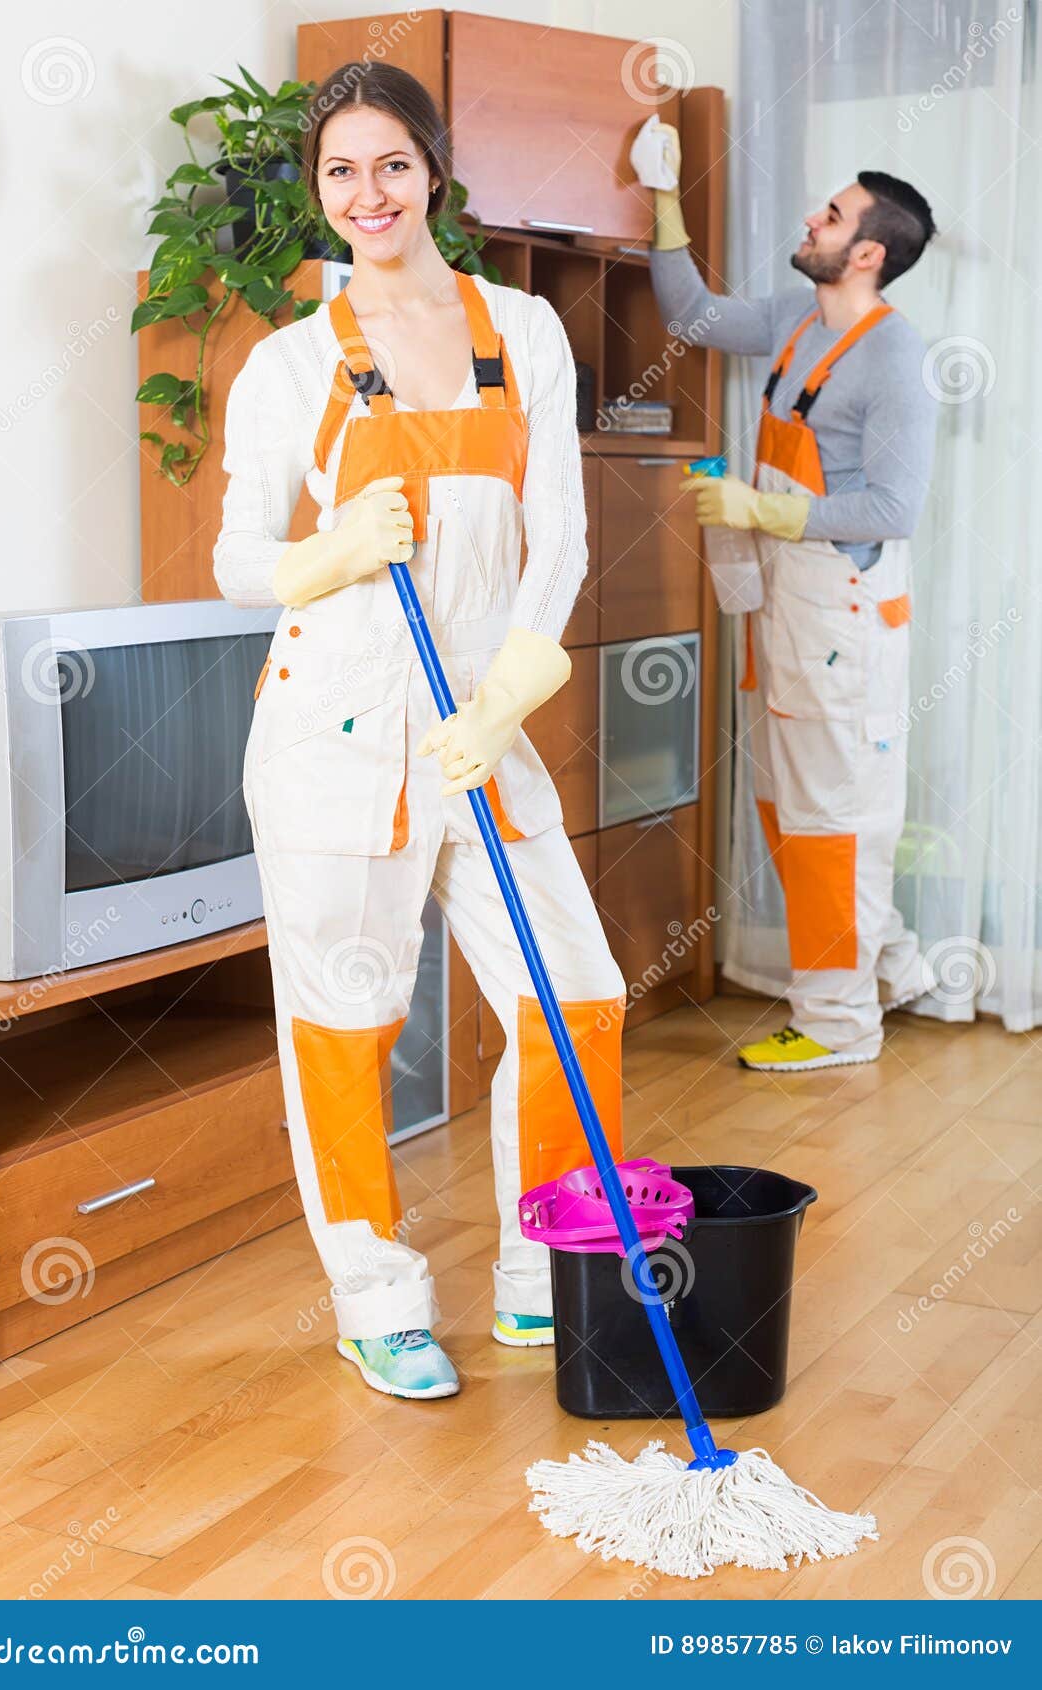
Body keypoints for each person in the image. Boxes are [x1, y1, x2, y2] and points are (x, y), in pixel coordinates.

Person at [213, 62, 626, 1400]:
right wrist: (321, 553)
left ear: (432, 172)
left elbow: (557, 530)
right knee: (345, 1024)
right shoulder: (290, 362)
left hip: (480, 724)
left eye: (390, 162)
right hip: (335, 736)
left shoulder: (519, 328)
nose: (367, 192)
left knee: (576, 996)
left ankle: (540, 1273)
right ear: (318, 192)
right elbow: (230, 556)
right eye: (340, 170)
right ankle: (376, 1297)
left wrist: (513, 681)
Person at [637, 126, 938, 1072]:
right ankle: (890, 966)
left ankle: (840, 1026)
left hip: (839, 617)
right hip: (787, 607)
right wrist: (662, 193)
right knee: (793, 806)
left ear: (867, 253)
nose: (811, 217)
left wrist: (762, 507)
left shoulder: (893, 361)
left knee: (828, 825)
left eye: (832, 213)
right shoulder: (796, 320)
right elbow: (689, 313)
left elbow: (894, 507)